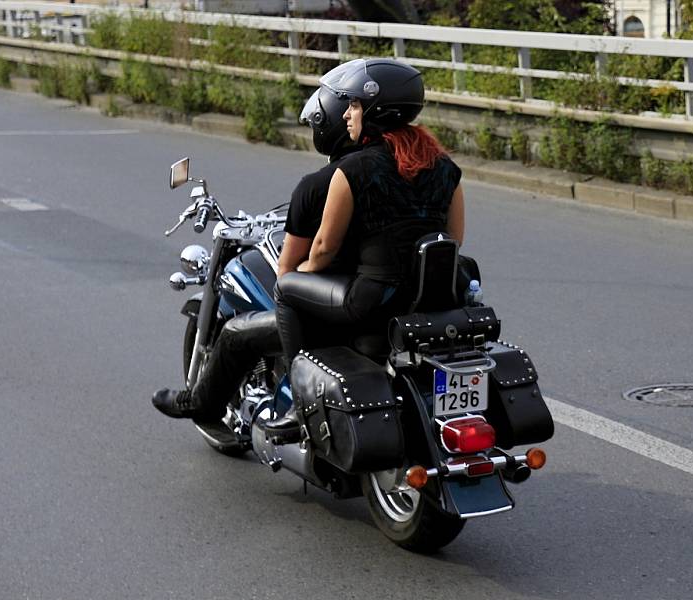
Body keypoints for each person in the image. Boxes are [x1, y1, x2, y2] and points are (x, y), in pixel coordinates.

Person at [264, 58, 465, 439]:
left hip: (372, 299)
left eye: (354, 106)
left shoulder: (351, 171)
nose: (348, 116)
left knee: (286, 290)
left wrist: (300, 273)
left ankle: (298, 401)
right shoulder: (445, 167)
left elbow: (323, 247)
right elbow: (453, 239)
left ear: (373, 112)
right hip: (430, 297)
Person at [151, 77, 364, 420]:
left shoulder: (323, 184)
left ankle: (204, 403)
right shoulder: (422, 171)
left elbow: (308, 257)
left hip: (339, 307)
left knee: (242, 328)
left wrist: (300, 275)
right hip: (379, 300)